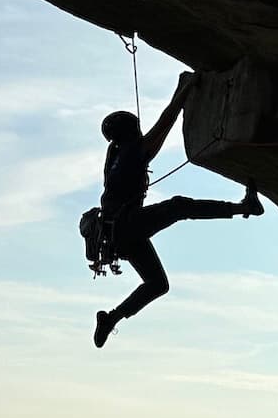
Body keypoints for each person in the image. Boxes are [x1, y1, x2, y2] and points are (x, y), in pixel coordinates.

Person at [92, 71, 261, 347]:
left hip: (118, 234)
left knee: (158, 284)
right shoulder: (132, 152)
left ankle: (111, 319)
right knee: (178, 207)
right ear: (129, 132)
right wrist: (184, 91)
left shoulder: (115, 154)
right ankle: (244, 207)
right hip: (127, 224)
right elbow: (165, 123)